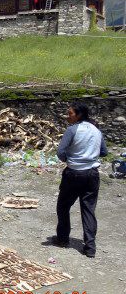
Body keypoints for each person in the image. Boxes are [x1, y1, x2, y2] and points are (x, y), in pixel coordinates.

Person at [53, 102, 107, 258]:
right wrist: (90, 154)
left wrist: (70, 159)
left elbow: (60, 151)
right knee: (88, 209)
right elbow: (104, 152)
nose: (67, 116)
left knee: (63, 206)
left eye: (70, 113)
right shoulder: (96, 130)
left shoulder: (72, 130)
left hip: (74, 173)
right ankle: (90, 247)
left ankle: (63, 239)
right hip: (92, 174)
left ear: (79, 115)